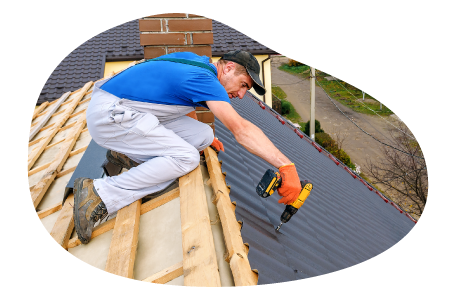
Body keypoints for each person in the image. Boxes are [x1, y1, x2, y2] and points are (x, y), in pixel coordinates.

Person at [73, 50, 302, 244]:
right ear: (229, 68)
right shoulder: (205, 80)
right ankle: (98, 193)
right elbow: (240, 130)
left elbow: (174, 102)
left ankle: (128, 153)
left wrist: (205, 138)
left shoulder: (198, 63)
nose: (241, 95)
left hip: (123, 108)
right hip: (111, 116)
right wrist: (286, 166)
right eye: (243, 85)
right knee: (187, 158)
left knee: (203, 135)